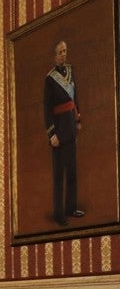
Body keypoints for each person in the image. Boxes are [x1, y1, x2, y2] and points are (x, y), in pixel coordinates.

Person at [44, 40, 84, 226]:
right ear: (54, 55)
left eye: (65, 51)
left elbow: (75, 98)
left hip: (70, 127)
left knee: (72, 171)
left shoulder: (71, 70)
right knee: (59, 174)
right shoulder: (50, 78)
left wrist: (78, 119)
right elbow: (47, 109)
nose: (63, 54)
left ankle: (71, 207)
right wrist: (52, 134)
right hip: (59, 131)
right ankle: (59, 213)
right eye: (60, 52)